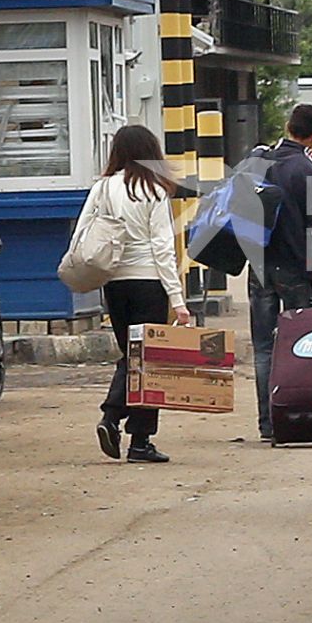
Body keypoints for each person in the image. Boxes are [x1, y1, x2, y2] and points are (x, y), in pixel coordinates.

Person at [91, 124, 193, 465]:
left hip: (114, 282)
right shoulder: (153, 192)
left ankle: (115, 420)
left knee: (131, 355)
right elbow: (163, 249)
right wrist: (178, 300)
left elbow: (85, 234)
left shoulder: (102, 188)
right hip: (148, 283)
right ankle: (135, 437)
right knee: (147, 361)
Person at [249, 103, 312, 442]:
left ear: (287, 126)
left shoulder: (260, 162)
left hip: (258, 267)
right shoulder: (310, 172)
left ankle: (267, 424)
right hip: (294, 271)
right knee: (299, 344)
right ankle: (292, 416)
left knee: (263, 348)